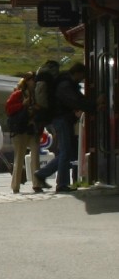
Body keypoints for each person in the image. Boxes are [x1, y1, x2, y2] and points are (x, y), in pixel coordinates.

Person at [32, 62, 98, 192]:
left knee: (67, 152)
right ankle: (61, 184)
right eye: (83, 75)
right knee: (66, 152)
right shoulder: (65, 85)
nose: (83, 79)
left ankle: (42, 174)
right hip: (61, 120)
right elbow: (75, 101)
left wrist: (93, 104)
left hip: (62, 119)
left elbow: (78, 99)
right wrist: (94, 105)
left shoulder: (67, 84)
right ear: (78, 73)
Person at [6, 73, 40, 194]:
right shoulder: (18, 94)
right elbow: (8, 109)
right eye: (33, 80)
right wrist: (22, 104)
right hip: (20, 129)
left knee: (36, 156)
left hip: (32, 128)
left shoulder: (36, 95)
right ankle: (15, 186)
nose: (35, 83)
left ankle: (37, 184)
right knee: (19, 158)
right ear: (27, 81)